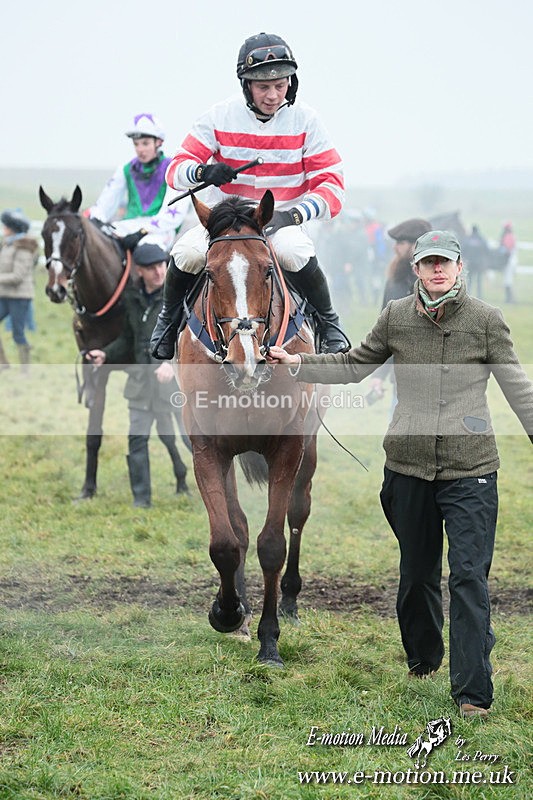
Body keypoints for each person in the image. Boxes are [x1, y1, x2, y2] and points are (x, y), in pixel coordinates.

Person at [268, 230, 533, 718]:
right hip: (407, 468)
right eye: (427, 262)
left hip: (470, 469)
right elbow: (352, 365)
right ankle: (424, 658)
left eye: (445, 263)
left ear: (459, 267)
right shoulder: (395, 317)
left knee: (469, 578)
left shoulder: (487, 322)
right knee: (416, 574)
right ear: (416, 270)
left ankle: (473, 691)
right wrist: (298, 362)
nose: (437, 270)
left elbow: (519, 389)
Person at [151, 32, 348, 359]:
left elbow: (332, 185)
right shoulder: (218, 116)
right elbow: (176, 169)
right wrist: (203, 172)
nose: (273, 95)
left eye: (281, 85)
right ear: (246, 85)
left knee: (295, 250)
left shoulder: (307, 121)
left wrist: (293, 216)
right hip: (222, 222)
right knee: (186, 252)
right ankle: (167, 323)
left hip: (278, 220)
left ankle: (329, 324)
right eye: (263, 87)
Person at [87, 240, 189, 507]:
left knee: (192, 439)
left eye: (161, 265)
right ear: (139, 271)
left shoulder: (182, 297)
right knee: (137, 438)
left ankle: (217, 489)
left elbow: (193, 339)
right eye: (151, 268)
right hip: (141, 384)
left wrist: (173, 362)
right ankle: (141, 500)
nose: (159, 272)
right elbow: (128, 339)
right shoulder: (131, 299)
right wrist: (106, 354)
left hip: (176, 385)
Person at [87, 113, 189, 252]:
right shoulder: (125, 169)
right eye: (136, 144)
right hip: (130, 225)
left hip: (161, 229)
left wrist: (142, 232)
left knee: (146, 251)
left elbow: (174, 215)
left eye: (145, 143)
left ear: (158, 142)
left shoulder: (173, 168)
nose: (140, 149)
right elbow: (104, 204)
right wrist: (91, 220)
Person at [0, 208, 39, 373]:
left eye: (6, 226)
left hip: (20, 297)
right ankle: (3, 364)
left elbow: (17, 276)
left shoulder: (23, 248)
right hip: (4, 295)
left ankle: (25, 370)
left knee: (18, 334)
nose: (3, 229)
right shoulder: (8, 245)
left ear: (12, 228)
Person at [462, 224, 490, 300]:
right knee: (479, 280)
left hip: (470, 263)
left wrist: (465, 259)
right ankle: (479, 296)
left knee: (470, 280)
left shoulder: (468, 239)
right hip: (479, 263)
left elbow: (463, 250)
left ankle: (468, 295)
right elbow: (487, 250)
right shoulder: (481, 239)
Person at [498, 221, 517, 304]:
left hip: (509, 261)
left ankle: (509, 299)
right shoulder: (511, 236)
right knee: (508, 280)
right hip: (511, 260)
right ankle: (509, 299)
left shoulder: (508, 236)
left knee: (507, 280)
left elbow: (507, 249)